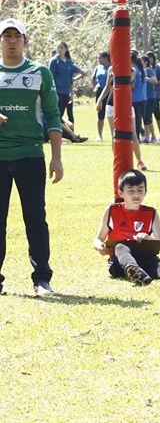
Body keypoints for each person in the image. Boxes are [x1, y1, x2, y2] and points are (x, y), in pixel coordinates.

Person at [0, 18, 64, 297]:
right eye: (7, 36)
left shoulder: (40, 72)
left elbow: (53, 115)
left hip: (30, 156)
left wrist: (57, 158)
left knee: (36, 219)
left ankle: (42, 279)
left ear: (25, 41)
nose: (12, 41)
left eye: (17, 36)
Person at [92, 170, 160, 285]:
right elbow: (97, 239)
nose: (136, 195)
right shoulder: (112, 211)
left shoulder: (151, 213)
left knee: (157, 266)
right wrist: (100, 247)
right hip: (119, 262)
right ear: (121, 193)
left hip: (145, 257)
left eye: (140, 190)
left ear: (145, 192)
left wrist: (149, 239)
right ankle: (134, 270)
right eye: (131, 191)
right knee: (120, 247)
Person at [94, 51, 150, 171]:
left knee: (133, 134)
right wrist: (99, 100)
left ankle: (139, 161)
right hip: (111, 104)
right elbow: (108, 87)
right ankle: (117, 161)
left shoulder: (132, 71)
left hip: (126, 105)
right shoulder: (111, 69)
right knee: (115, 135)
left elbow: (127, 85)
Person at [49, 41, 85, 126]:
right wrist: (54, 93)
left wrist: (71, 93)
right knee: (58, 114)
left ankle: (70, 132)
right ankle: (57, 132)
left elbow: (75, 76)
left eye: (61, 47)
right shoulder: (54, 61)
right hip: (58, 92)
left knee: (67, 114)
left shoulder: (69, 62)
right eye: (58, 47)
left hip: (66, 92)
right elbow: (50, 78)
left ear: (66, 49)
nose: (59, 49)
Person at [92, 51, 111, 141]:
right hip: (100, 91)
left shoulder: (111, 67)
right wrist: (95, 87)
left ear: (106, 58)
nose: (98, 60)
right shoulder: (98, 67)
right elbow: (93, 78)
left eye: (100, 58)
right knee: (100, 113)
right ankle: (99, 135)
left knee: (111, 112)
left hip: (110, 92)